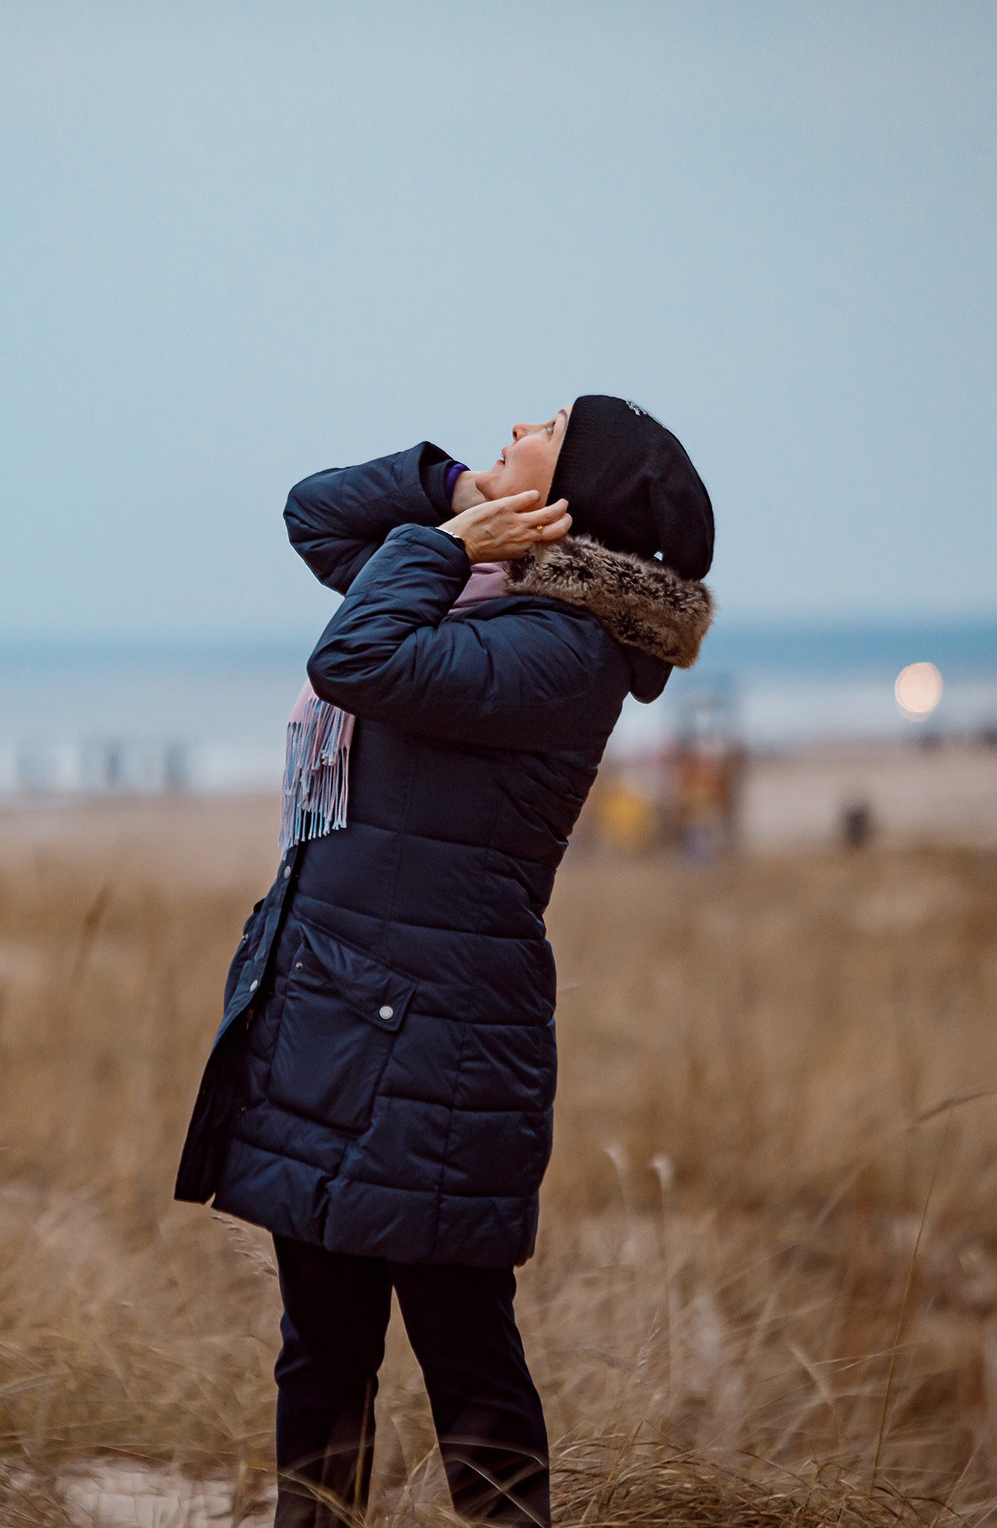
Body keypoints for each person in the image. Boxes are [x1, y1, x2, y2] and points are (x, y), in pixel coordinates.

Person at [175, 396, 716, 1526]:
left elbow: (353, 658)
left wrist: (441, 546)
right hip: (335, 1008)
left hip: (436, 1046)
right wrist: (450, 492)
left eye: (546, 424)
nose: (513, 420)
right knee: (319, 1356)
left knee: (467, 1368)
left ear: (577, 494)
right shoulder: (490, 594)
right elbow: (314, 514)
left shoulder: (559, 650)